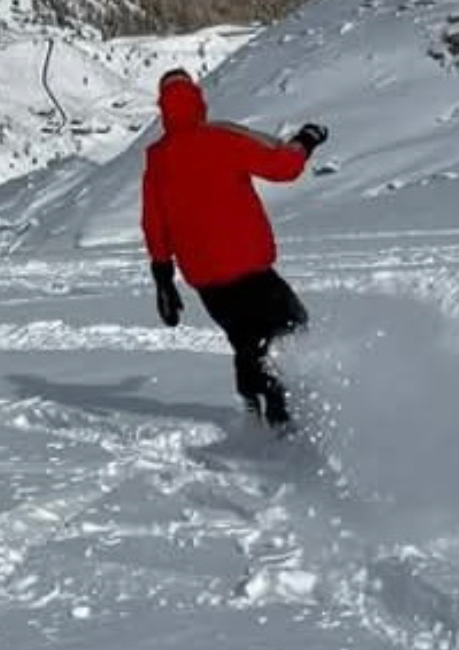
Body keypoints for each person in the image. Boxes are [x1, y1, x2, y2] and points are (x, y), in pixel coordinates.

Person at [140, 68, 329, 428]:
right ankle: (286, 416)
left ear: (163, 108)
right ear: (198, 100)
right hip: (249, 267)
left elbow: (154, 223)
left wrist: (162, 277)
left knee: (246, 341)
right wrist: (306, 141)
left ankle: (257, 413)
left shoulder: (157, 158)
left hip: (206, 279)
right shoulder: (221, 138)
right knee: (292, 329)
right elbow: (282, 168)